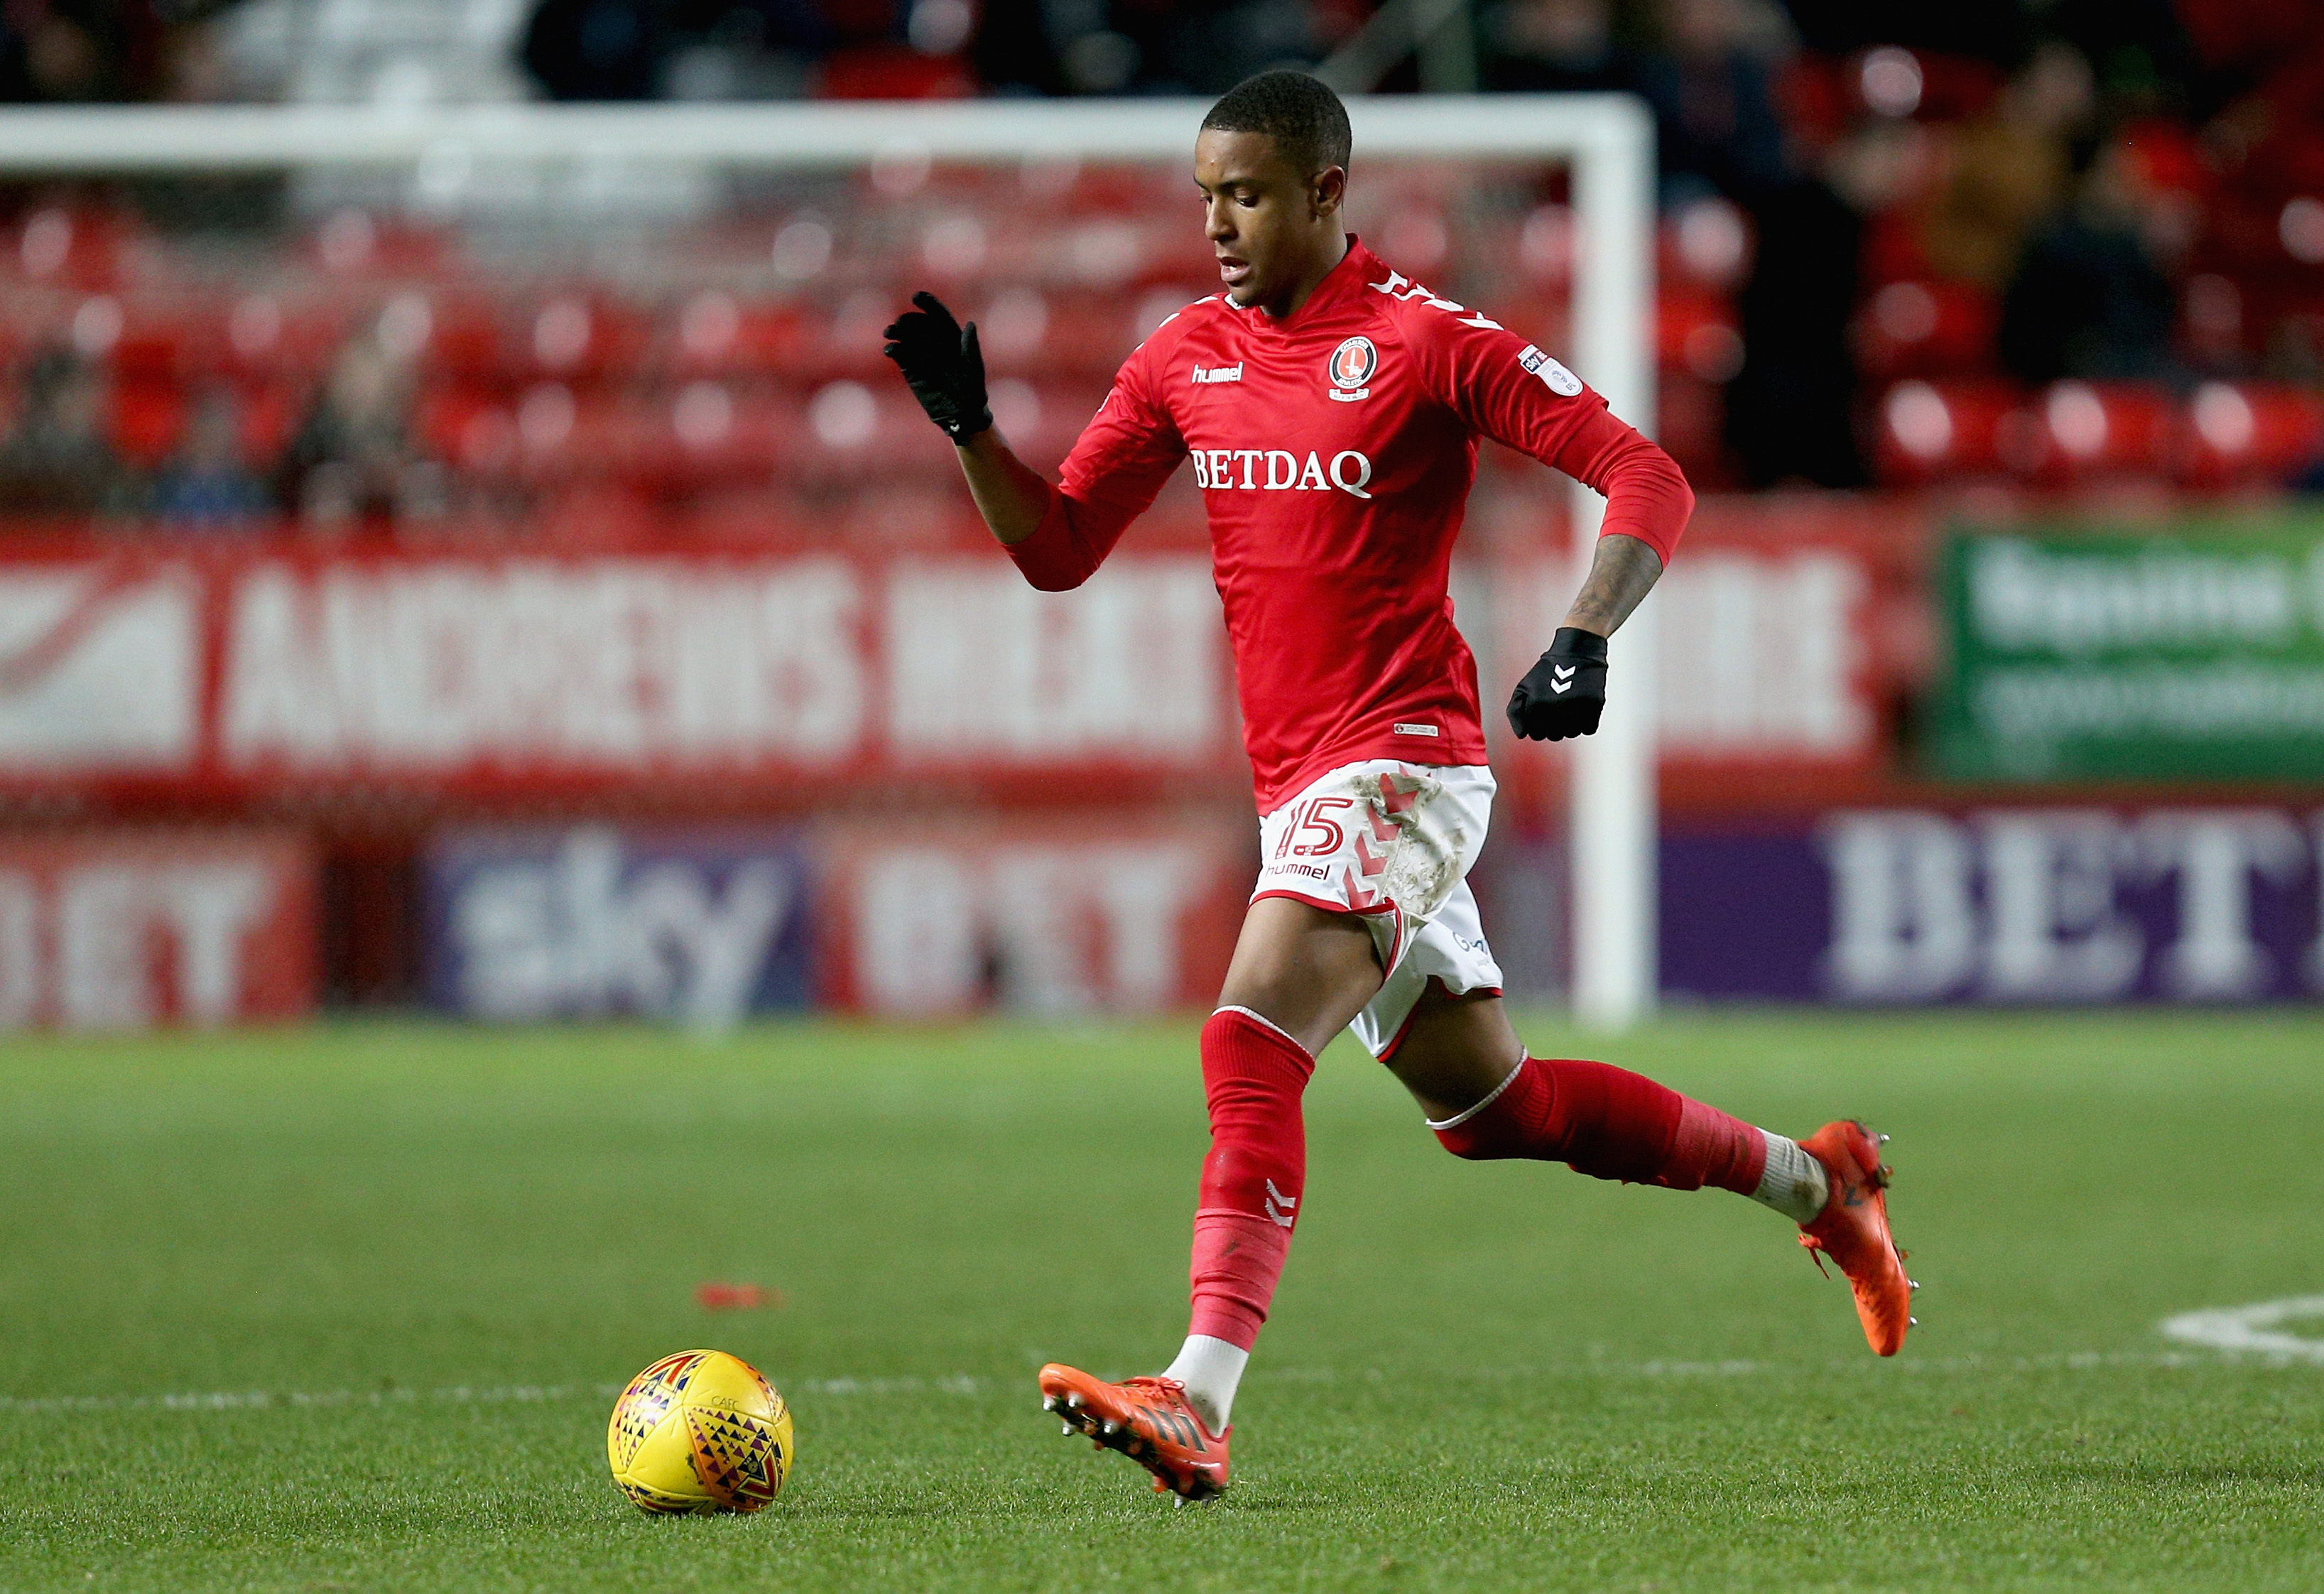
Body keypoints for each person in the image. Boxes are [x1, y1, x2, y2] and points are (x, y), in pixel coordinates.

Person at [881, 70, 1913, 1504]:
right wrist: (971, 435)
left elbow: (1644, 475)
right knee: (1497, 1113)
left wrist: (1583, 635)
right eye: (1205, 196)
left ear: (1324, 192)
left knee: (1248, 1036)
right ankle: (1821, 1182)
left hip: (1403, 764)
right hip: (1302, 786)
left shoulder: (1424, 341)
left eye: (1246, 195)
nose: (1218, 224)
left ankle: (1196, 1398)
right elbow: (1057, 549)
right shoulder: (1182, 355)